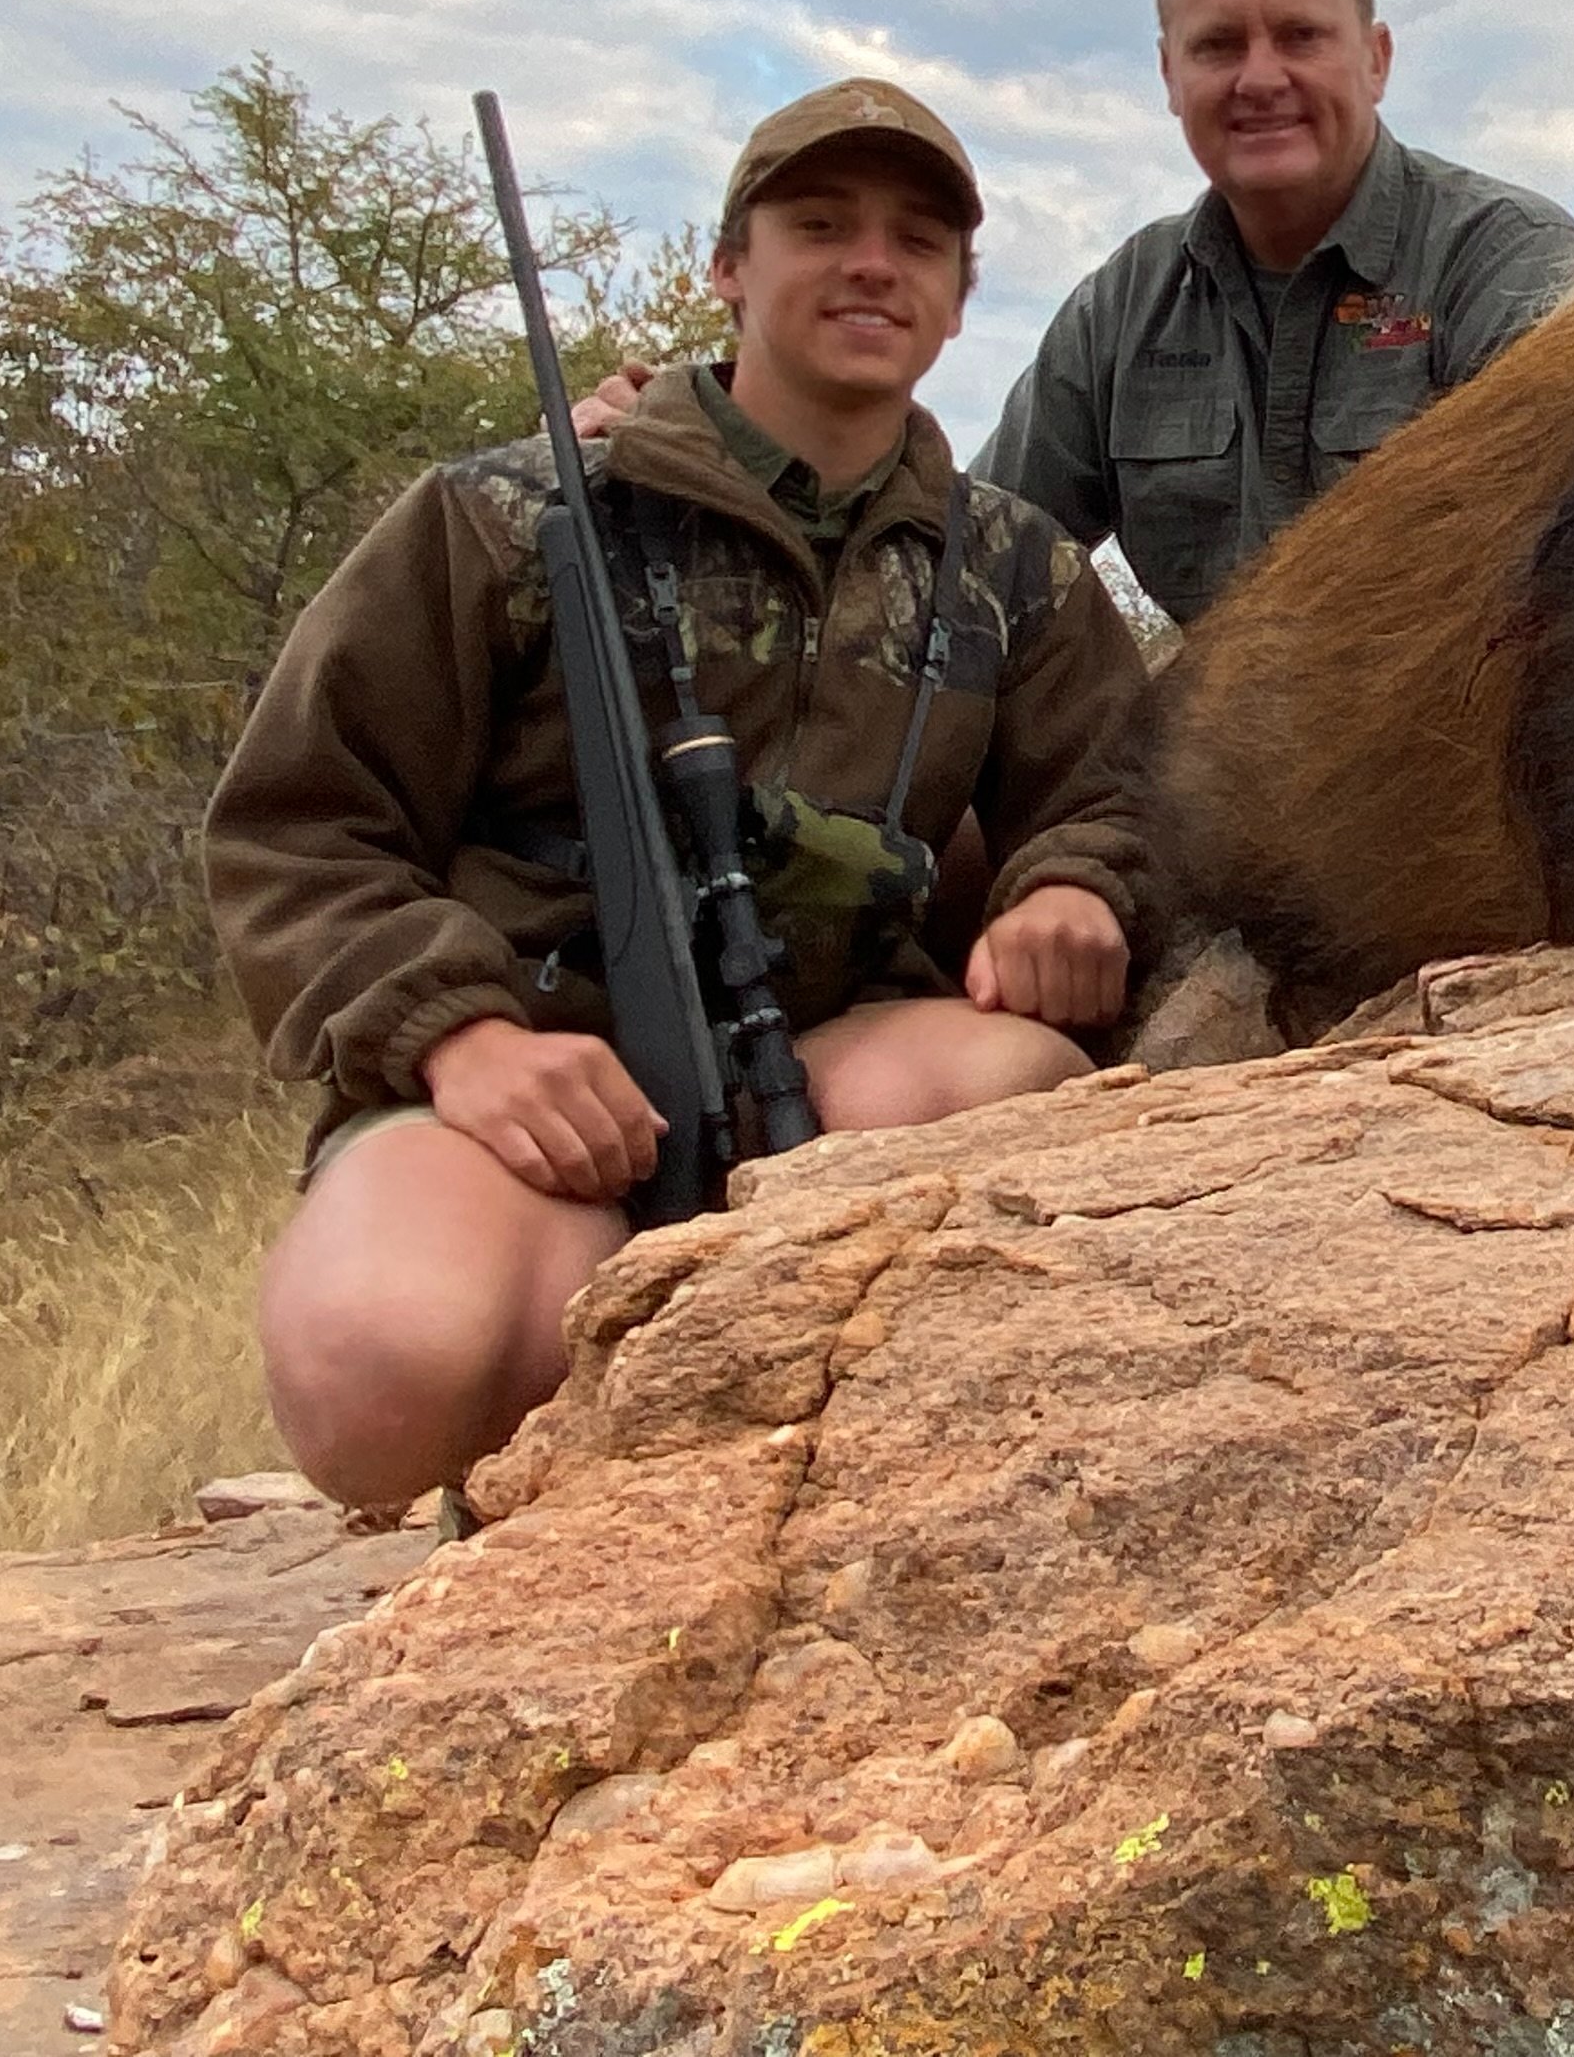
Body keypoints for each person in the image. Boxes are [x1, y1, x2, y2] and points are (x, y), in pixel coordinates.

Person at [212, 77, 1156, 1510]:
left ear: (961, 300)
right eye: (819, 225)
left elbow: (1122, 791)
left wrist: (1072, 884)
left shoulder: (1017, 568)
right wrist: (461, 1038)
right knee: (383, 1371)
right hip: (526, 1088)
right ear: (729, 268)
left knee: (1007, 1087)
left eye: (917, 241)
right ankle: (563, 1388)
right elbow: (299, 827)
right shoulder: (505, 516)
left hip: (827, 1073)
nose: (869, 264)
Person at [972, 0, 1574, 623]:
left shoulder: (1507, 265)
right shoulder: (1125, 304)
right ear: (1170, 75)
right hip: (1198, 737)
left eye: (1301, 35)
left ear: (1376, 59)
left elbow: (1572, 597)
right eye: (1219, 45)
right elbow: (975, 575)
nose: (1260, 78)